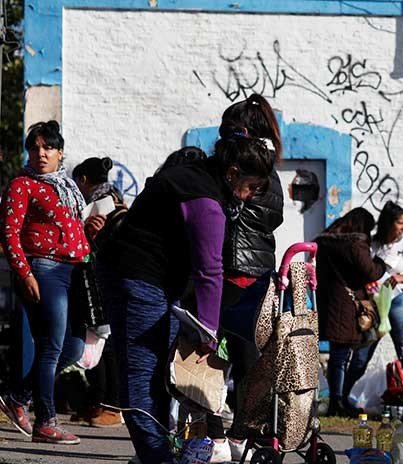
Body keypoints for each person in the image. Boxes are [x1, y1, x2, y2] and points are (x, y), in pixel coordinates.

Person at [98, 135, 274, 463]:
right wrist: (208, 332)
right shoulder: (205, 200)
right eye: (251, 187)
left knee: (160, 376)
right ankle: (156, 457)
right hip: (138, 279)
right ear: (232, 173)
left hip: (146, 279)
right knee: (142, 378)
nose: (252, 195)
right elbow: (210, 271)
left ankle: (157, 453)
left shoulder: (195, 176)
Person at [0, 121, 90, 445]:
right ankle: (46, 422)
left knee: (74, 348)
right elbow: (9, 233)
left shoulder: (67, 186)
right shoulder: (22, 185)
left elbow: (73, 230)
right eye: (35, 148)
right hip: (45, 269)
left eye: (48, 147)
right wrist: (24, 273)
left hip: (74, 272)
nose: (41, 153)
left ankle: (17, 396)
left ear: (60, 152)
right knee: (50, 347)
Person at [209, 94, 284, 462]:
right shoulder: (267, 174)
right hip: (253, 272)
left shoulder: (244, 174)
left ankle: (235, 435)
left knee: (228, 358)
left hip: (233, 274)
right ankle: (240, 434)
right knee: (246, 361)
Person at [344, 201, 403, 396]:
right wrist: (364, 283)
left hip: (399, 302)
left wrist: (402, 278)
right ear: (388, 223)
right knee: (361, 356)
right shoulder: (370, 244)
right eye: (400, 223)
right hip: (371, 305)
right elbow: (357, 271)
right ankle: (341, 398)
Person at [71, 156, 128, 428]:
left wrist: (90, 232)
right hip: (99, 281)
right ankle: (97, 401)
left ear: (83, 180)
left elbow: (110, 244)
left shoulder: (104, 205)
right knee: (97, 342)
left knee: (107, 345)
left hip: (105, 281)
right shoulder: (114, 199)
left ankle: (112, 406)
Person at [315, 207, 386, 417]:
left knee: (338, 354)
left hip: (329, 301)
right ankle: (337, 401)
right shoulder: (355, 244)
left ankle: (337, 399)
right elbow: (370, 271)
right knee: (341, 355)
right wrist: (380, 263)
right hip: (347, 304)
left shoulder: (325, 242)